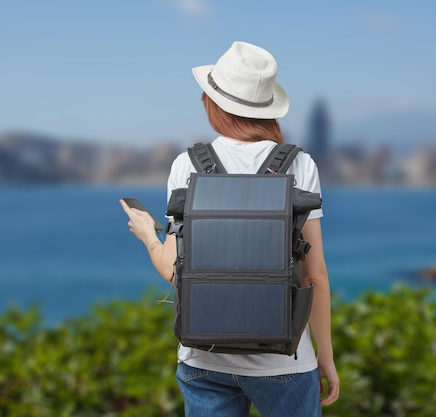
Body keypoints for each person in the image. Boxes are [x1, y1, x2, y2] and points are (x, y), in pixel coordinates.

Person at [120, 41, 340, 416]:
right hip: (285, 362)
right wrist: (326, 357)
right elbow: (313, 275)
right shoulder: (298, 165)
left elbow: (176, 273)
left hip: (203, 360)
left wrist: (146, 234)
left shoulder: (186, 165)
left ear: (213, 102)